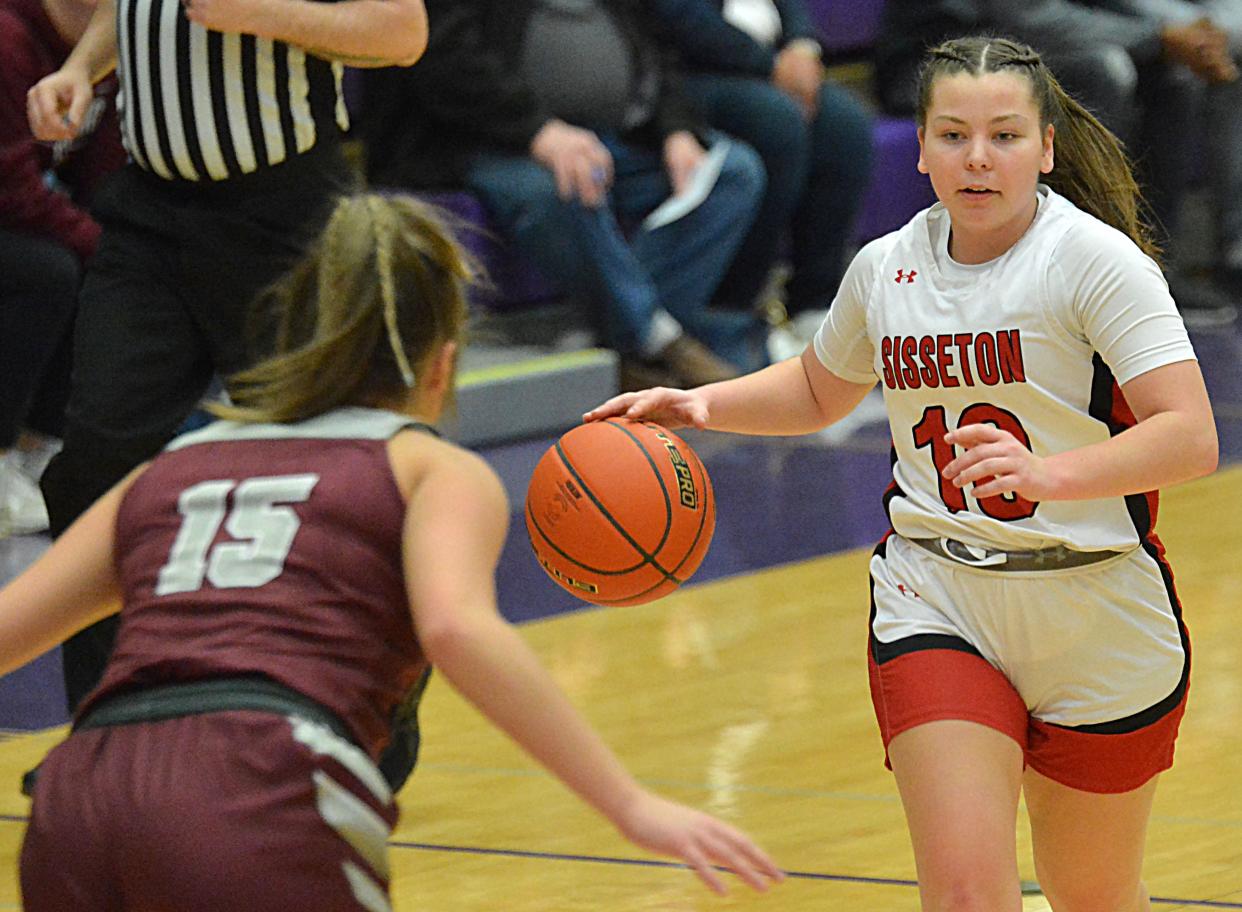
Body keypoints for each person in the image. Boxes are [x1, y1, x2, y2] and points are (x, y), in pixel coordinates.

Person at [0, 194, 785, 910]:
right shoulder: (427, 468)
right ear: (442, 363)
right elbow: (456, 630)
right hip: (259, 782)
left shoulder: (166, 471)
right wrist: (629, 804)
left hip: (82, 795)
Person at [586, 36, 1218, 910]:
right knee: (962, 894)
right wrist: (702, 405)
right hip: (940, 593)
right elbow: (815, 387)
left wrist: (1052, 475)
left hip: (1096, 608)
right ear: (919, 148)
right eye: (953, 135)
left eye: (1004, 135)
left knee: (1094, 894)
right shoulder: (886, 268)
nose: (978, 158)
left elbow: (1190, 435)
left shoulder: (1094, 261)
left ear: (1046, 149)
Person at [25, 0, 428, 713]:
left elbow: (402, 33)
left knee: (340, 479)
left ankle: (365, 730)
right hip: (149, 218)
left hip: (285, 218)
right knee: (92, 472)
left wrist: (260, 14)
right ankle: (109, 727)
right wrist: (82, 68)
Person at [359, 0, 769, 385]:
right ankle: (658, 341)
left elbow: (655, 46)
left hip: (610, 136)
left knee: (732, 173)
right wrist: (539, 131)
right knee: (563, 186)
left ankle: (633, 338)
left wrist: (676, 128)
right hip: (474, 137)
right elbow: (442, 56)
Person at [874, 0, 1241, 327]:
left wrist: (1187, 34)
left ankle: (1150, 264)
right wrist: (1158, 36)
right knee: (1106, 70)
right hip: (941, 50)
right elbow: (1026, 17)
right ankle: (1075, 272)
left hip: (1030, 45)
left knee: (1175, 75)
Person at [647, 0, 874, 345]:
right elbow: (678, 18)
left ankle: (813, 302)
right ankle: (737, 306)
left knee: (845, 124)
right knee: (777, 122)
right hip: (686, 77)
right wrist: (771, 64)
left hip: (772, 70)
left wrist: (802, 47)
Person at [0, 0, 125, 538]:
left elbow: (104, 171)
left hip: (26, 213)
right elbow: (10, 189)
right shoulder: (8, 39)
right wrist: (97, 243)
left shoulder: (108, 47)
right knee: (48, 274)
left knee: (109, 270)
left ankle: (39, 451)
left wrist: (114, 242)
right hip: (10, 210)